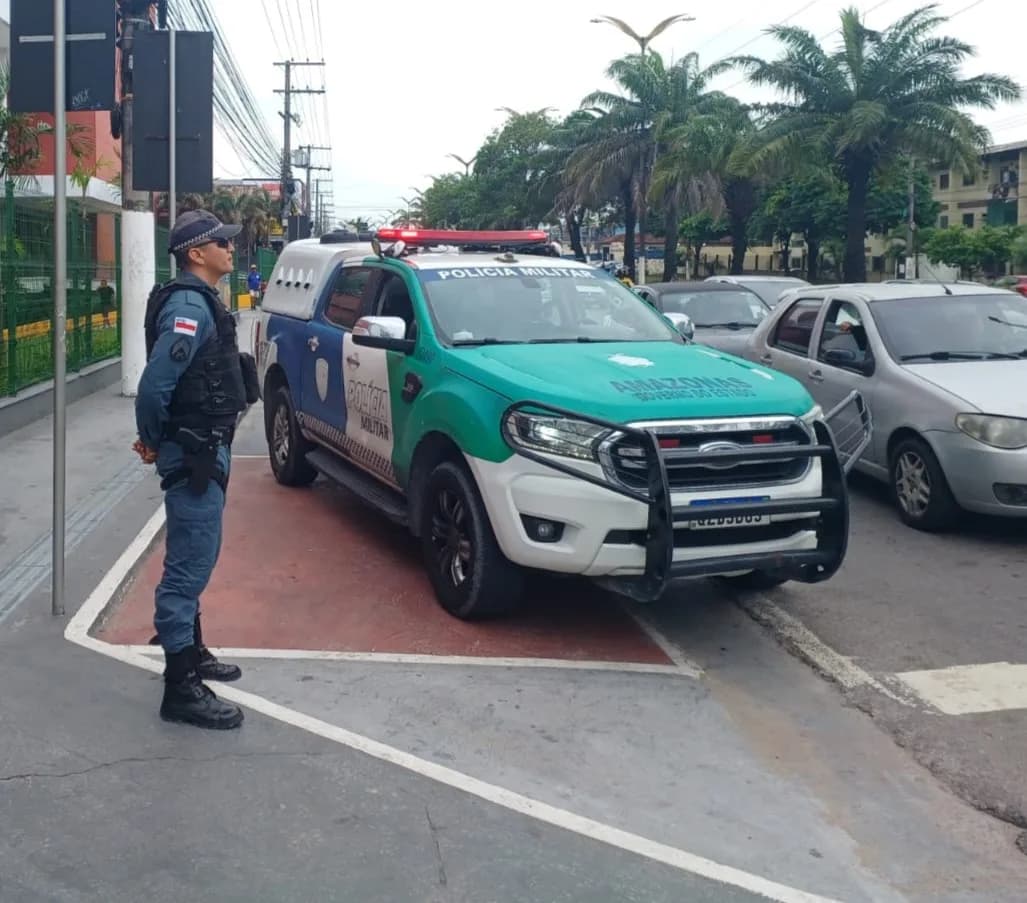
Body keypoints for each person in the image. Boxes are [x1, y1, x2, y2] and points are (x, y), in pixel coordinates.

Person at [132, 209, 259, 730]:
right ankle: (181, 687)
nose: (231, 249)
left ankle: (194, 648)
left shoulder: (201, 302)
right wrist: (153, 440)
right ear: (196, 254)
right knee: (188, 568)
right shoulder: (189, 307)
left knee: (195, 557)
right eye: (221, 244)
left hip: (205, 448)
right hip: (194, 454)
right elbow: (153, 386)